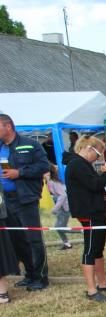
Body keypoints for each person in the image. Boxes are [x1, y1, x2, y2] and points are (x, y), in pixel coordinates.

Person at [63, 135, 106, 302]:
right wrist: (105, 173)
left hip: (96, 212)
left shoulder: (81, 164)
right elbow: (95, 184)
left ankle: (103, 283)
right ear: (89, 148)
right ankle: (91, 289)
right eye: (98, 155)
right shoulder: (77, 164)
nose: (98, 159)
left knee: (97, 249)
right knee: (90, 250)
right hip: (88, 213)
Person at [1, 112, 50, 291]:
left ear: (8, 126)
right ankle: (29, 275)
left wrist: (19, 173)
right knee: (17, 239)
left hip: (26, 199)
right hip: (6, 201)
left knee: (33, 238)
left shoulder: (30, 145)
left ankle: (41, 278)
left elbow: (44, 166)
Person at [46, 164, 74, 249]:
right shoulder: (50, 181)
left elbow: (63, 195)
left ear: (48, 172)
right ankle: (67, 244)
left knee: (60, 228)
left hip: (64, 208)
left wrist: (55, 209)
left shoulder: (53, 182)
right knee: (58, 227)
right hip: (61, 208)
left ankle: (83, 231)